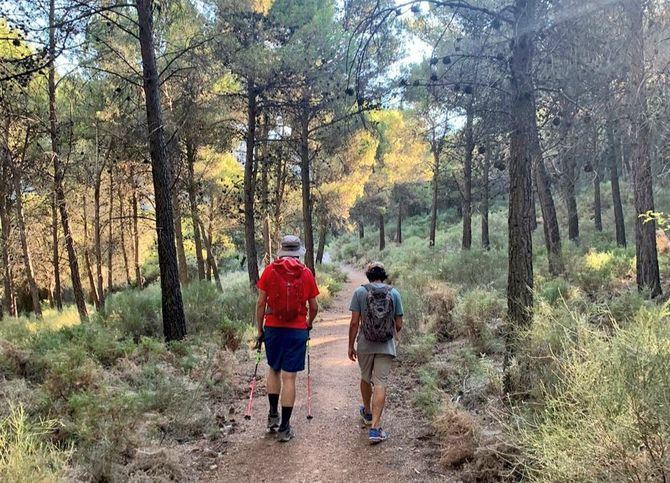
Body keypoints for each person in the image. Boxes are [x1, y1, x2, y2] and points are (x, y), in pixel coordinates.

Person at [256, 235, 319, 442]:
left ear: (282, 250)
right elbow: (315, 306)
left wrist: (260, 330)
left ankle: (273, 415)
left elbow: (260, 304)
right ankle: (285, 428)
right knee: (289, 377)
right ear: (298, 252)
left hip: (273, 327)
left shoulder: (269, 270)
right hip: (297, 330)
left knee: (274, 369)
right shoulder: (306, 273)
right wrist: (308, 323)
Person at [348, 261, 403, 444]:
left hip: (365, 344)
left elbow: (355, 322)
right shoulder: (394, 293)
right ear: (384, 275)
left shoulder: (360, 292)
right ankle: (375, 429)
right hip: (386, 346)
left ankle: (367, 412)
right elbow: (399, 324)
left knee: (365, 377)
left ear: (369, 276)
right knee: (380, 383)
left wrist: (350, 345)